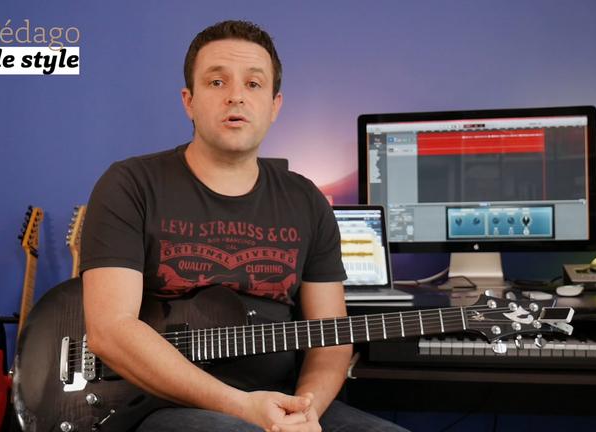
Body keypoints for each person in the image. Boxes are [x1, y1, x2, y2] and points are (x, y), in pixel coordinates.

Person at [81, 20, 409, 432]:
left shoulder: (306, 200)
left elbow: (332, 339)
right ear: (189, 101)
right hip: (163, 404)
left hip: (281, 401)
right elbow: (110, 330)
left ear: (274, 106)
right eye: (217, 82)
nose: (236, 96)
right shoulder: (130, 184)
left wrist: (304, 411)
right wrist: (243, 407)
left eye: (253, 84)